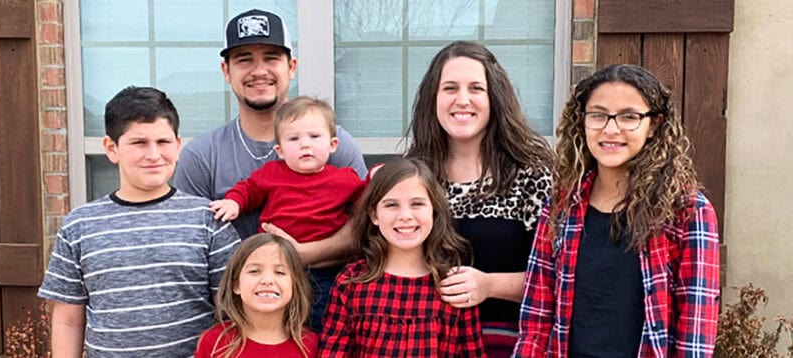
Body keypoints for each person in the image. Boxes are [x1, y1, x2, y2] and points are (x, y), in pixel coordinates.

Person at [174, 9, 366, 331]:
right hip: (237, 320)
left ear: (291, 66)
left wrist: (298, 255)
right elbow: (189, 253)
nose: (259, 70)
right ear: (226, 70)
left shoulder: (333, 145)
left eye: (271, 57)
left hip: (323, 299)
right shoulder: (201, 156)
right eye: (244, 59)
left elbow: (363, 227)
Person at [514, 64, 720, 357]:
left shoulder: (687, 212)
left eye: (629, 117)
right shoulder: (561, 206)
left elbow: (695, 334)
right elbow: (536, 319)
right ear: (582, 122)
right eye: (598, 115)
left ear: (655, 125)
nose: (611, 129)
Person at [38, 86, 241, 357]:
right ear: (112, 149)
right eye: (139, 143)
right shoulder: (79, 226)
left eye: (163, 142)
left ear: (178, 146)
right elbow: (67, 319)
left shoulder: (209, 219)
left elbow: (232, 314)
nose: (154, 154)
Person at [405, 40, 554, 356]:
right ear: (433, 99)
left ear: (495, 98)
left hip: (511, 343)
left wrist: (489, 285)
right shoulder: (415, 176)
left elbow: (561, 276)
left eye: (475, 88)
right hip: (427, 343)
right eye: (450, 88)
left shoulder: (532, 175)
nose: (462, 100)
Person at [209, 96, 365, 332]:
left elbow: (368, 204)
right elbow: (248, 189)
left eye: (314, 137)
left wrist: (378, 177)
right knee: (279, 322)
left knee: (320, 319)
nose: (305, 145)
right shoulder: (272, 173)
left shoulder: (345, 179)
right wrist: (234, 202)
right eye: (294, 139)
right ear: (280, 150)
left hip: (325, 270)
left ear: (333, 144)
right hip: (277, 267)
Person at [319, 158, 485, 357]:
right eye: (391, 205)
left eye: (417, 204)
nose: (405, 215)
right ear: (374, 215)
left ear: (434, 210)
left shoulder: (454, 285)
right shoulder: (351, 282)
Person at [194, 233, 318, 358]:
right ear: (236, 285)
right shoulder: (214, 341)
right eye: (254, 271)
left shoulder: (310, 345)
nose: (267, 280)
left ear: (294, 286)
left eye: (279, 272)